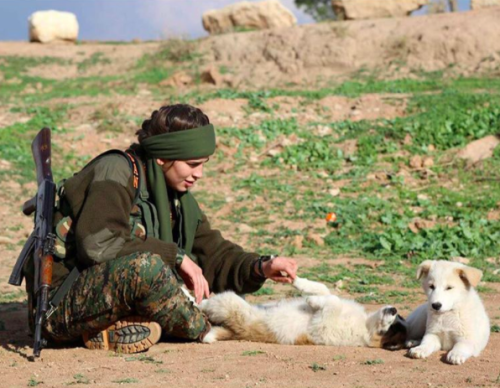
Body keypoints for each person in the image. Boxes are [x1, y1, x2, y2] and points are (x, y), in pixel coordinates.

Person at [33, 104, 298, 353]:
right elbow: (99, 244)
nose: (200, 174)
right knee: (148, 269)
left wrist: (261, 266)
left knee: (161, 274)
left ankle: (111, 331)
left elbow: (213, 254)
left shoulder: (174, 198)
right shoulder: (114, 171)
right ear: (162, 158)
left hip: (104, 300)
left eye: (204, 163)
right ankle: (209, 327)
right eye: (192, 164)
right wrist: (177, 257)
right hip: (61, 309)